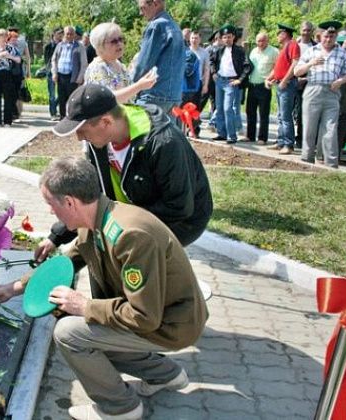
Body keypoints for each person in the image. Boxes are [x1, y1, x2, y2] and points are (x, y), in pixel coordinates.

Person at [0, 156, 208, 420]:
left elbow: (145, 317)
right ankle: (165, 375)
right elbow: (65, 262)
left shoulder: (130, 236)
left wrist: (85, 305)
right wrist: (15, 287)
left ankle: (121, 407)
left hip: (173, 325)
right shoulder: (98, 219)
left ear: (70, 202)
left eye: (50, 203)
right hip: (160, 317)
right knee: (81, 323)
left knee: (69, 333)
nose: (50, 211)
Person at [35, 83, 213, 261]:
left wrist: (119, 222)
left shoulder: (163, 143)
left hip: (179, 222)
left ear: (106, 122)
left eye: (82, 130)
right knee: (97, 244)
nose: (79, 137)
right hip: (130, 211)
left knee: (123, 258)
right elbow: (90, 197)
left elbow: (179, 207)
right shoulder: (99, 140)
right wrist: (56, 237)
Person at [294, 21, 346, 168]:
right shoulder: (312, 51)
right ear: (321, 36)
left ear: (335, 38)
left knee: (330, 128)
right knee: (309, 127)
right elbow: (296, 71)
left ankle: (331, 163)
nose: (328, 40)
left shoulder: (341, 53)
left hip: (332, 92)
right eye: (326, 36)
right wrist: (310, 64)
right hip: (313, 90)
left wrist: (339, 81)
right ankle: (306, 159)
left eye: (332, 37)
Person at [132, 0, 184, 114]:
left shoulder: (156, 26)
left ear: (155, 3)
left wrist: (131, 86)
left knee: (146, 132)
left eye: (142, 8)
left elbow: (144, 64)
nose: (141, 13)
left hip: (154, 95)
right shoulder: (175, 26)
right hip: (173, 96)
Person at [85, 22, 156, 103]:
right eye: (113, 41)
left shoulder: (119, 65)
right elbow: (109, 99)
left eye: (121, 39)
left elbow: (129, 94)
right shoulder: (97, 68)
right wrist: (139, 86)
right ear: (100, 46)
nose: (119, 44)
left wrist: (144, 82)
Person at [210, 24, 252, 144]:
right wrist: (213, 73)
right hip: (219, 81)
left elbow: (247, 66)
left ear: (233, 37)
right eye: (224, 37)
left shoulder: (239, 51)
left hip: (231, 82)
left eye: (229, 37)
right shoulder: (219, 50)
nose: (227, 39)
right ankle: (222, 133)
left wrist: (240, 79)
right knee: (219, 108)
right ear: (222, 38)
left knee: (228, 108)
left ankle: (232, 136)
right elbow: (212, 61)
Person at [266, 24, 300, 155]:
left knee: (286, 116)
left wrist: (285, 80)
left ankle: (288, 144)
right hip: (280, 84)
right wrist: (269, 78)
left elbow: (295, 63)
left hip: (287, 85)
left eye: (279, 33)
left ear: (285, 33)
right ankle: (281, 142)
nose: (277, 36)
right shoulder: (283, 48)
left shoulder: (292, 44)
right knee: (280, 115)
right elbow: (279, 68)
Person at [244, 32, 278, 145]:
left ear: (267, 40)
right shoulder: (253, 51)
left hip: (264, 85)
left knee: (263, 113)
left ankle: (262, 138)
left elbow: (276, 67)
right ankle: (250, 136)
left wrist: (269, 78)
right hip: (252, 85)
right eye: (258, 41)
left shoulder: (273, 51)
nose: (260, 43)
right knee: (250, 111)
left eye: (263, 40)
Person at [51, 26, 88, 119]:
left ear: (74, 35)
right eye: (67, 34)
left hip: (72, 77)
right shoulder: (60, 45)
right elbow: (54, 59)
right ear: (64, 34)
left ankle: (71, 117)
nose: (69, 36)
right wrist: (54, 73)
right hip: (61, 76)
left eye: (71, 34)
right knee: (61, 98)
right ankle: (62, 117)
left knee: (72, 98)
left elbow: (84, 63)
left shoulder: (79, 46)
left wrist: (80, 77)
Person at [0, 28, 21, 126]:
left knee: (8, 98)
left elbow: (18, 60)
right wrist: (0, 55)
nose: (4, 39)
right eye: (2, 37)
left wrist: (9, 56)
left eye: (5, 37)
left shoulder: (11, 48)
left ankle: (7, 121)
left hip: (7, 74)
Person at [295, 21, 317, 149]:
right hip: (294, 82)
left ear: (312, 31)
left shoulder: (317, 46)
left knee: (308, 112)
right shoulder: (295, 45)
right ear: (300, 30)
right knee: (296, 113)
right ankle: (295, 138)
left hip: (310, 83)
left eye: (309, 30)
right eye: (304, 30)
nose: (306, 32)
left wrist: (306, 78)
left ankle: (305, 140)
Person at [189, 31, 210, 130]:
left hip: (198, 83)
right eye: (192, 38)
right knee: (185, 106)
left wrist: (205, 85)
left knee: (196, 107)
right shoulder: (185, 51)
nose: (194, 40)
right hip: (186, 84)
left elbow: (206, 69)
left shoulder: (204, 52)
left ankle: (195, 129)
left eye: (196, 38)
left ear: (200, 40)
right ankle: (185, 128)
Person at [44, 27, 63, 120]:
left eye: (61, 33)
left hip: (61, 71)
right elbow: (47, 60)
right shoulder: (49, 46)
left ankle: (55, 106)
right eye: (59, 33)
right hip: (51, 72)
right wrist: (50, 70)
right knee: (52, 94)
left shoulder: (63, 45)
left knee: (61, 93)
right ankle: (53, 113)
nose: (60, 35)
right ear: (54, 34)